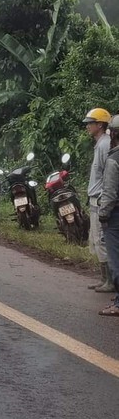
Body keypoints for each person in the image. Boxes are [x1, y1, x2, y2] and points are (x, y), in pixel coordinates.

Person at [84, 108, 114, 292]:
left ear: (100, 125)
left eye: (90, 123)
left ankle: (110, 281)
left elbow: (107, 175)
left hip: (100, 200)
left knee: (102, 240)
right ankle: (104, 278)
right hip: (95, 199)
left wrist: (104, 200)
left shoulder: (105, 144)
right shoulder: (100, 143)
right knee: (96, 240)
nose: (88, 126)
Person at [97, 114, 119, 316]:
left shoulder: (114, 160)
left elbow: (110, 193)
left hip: (115, 215)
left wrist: (102, 214)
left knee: (115, 259)